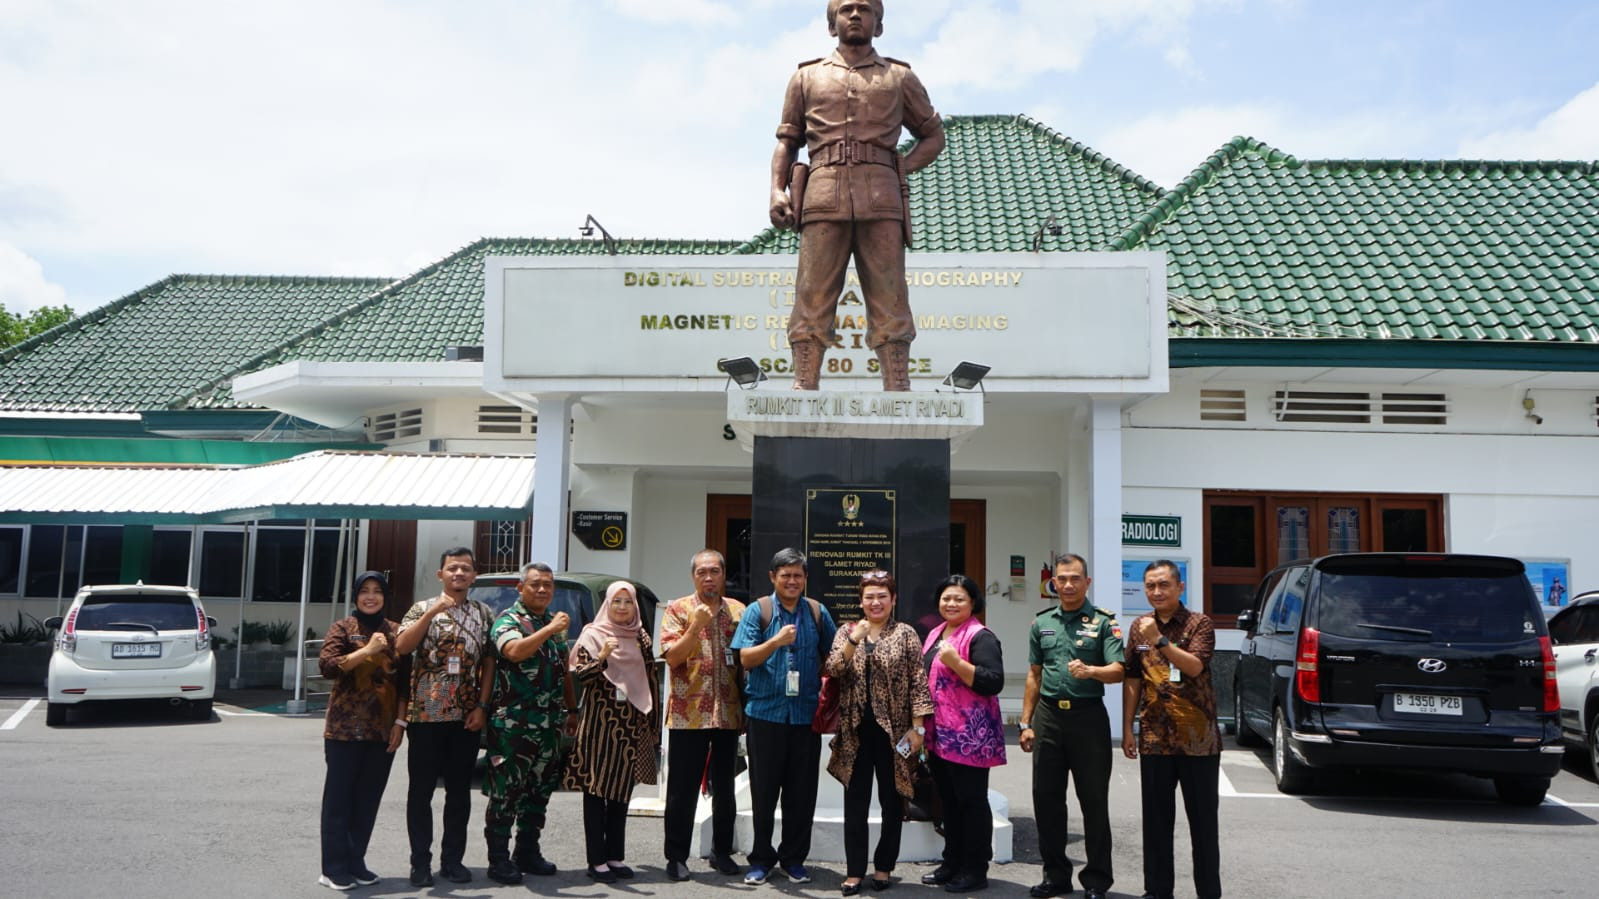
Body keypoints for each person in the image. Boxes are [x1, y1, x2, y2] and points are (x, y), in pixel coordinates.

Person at [769, 0, 945, 390]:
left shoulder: (899, 78)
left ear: (878, 25)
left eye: (865, 9)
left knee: (890, 295)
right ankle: (804, 382)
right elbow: (788, 141)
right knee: (812, 295)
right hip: (821, 195)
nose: (854, 15)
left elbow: (934, 136)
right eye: (846, 9)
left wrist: (901, 168)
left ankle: (897, 385)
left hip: (882, 199)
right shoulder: (806, 78)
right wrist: (776, 191)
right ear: (832, 25)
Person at [1019, 553, 1125, 899]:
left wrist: (1092, 671)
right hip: (1049, 717)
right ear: (1054, 583)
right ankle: (1056, 875)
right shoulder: (1041, 623)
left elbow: (1119, 670)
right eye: (1061, 579)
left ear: (1087, 582)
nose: (1067, 585)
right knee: (1046, 799)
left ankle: (1096, 880)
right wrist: (1025, 722)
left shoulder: (1104, 622)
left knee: (1093, 800)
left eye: (1074, 578)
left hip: (1088, 719)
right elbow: (1034, 675)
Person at [732, 547, 839, 885]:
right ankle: (761, 859)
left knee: (801, 793)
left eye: (797, 575)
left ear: (805, 579)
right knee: (764, 793)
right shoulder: (757, 611)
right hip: (765, 716)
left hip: (806, 717)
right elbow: (745, 659)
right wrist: (775, 642)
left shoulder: (818, 612)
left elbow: (834, 658)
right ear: (772, 577)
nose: (792, 581)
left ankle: (794, 859)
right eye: (785, 575)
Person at [824, 570, 933, 895]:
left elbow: (918, 681)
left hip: (895, 735)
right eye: (869, 596)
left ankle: (884, 867)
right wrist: (855, 639)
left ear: (893, 599)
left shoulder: (906, 634)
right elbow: (832, 669)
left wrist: (918, 728)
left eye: (882, 596)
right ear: (861, 600)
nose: (875, 602)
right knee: (855, 803)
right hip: (855, 734)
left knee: (892, 801)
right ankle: (854, 871)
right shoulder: (847, 631)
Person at [393, 546, 495, 887]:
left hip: (465, 717)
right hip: (426, 715)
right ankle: (419, 862)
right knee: (420, 792)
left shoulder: (484, 613)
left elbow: (489, 663)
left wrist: (482, 706)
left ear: (473, 576)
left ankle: (453, 860)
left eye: (466, 569)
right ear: (441, 574)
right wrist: (433, 612)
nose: (459, 574)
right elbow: (402, 647)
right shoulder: (421, 608)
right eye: (453, 568)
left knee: (458, 793)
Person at [1121, 560, 1222, 899]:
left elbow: (1194, 667)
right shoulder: (1139, 626)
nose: (1156, 592)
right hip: (1154, 738)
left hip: (1198, 742)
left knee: (1203, 825)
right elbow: (1132, 678)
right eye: (1150, 586)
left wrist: (1161, 641)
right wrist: (1127, 728)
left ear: (1180, 588)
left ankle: (1208, 892)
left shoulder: (1200, 623)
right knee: (1156, 824)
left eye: (1164, 585)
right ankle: (1157, 891)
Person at [479, 561, 578, 884]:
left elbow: (563, 669)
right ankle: (498, 859)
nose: (542, 590)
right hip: (513, 726)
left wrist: (572, 709)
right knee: (506, 793)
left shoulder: (551, 621)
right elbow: (514, 651)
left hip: (548, 725)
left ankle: (527, 851)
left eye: (548, 585)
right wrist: (549, 630)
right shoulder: (509, 620)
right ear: (520, 588)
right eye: (535, 584)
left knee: (539, 792)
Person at [316, 571, 408, 891]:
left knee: (368, 801)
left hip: (381, 731)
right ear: (355, 596)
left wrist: (400, 723)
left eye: (377, 591)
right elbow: (327, 665)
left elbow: (404, 682)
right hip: (343, 730)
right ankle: (333, 867)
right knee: (339, 801)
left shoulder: (395, 631)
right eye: (364, 591)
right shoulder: (343, 627)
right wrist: (366, 652)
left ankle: (356, 863)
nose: (371, 596)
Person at [659, 549, 748, 881]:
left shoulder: (738, 611)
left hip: (727, 712)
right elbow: (672, 658)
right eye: (702, 572)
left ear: (724, 575)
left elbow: (743, 662)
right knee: (681, 789)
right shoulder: (678, 609)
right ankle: (676, 856)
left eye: (714, 571)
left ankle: (721, 851)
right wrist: (695, 625)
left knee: (724, 786)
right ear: (693, 576)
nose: (708, 577)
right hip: (687, 714)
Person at [564, 581, 662, 883]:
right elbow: (580, 675)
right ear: (607, 604)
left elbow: (652, 679)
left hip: (631, 723)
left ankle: (615, 856)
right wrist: (602, 657)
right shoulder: (593, 635)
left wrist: (653, 724)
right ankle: (596, 860)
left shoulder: (641, 637)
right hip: (600, 724)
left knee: (621, 791)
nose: (622, 607)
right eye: (616, 601)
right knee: (596, 790)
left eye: (628, 602)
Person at [919, 574, 1005, 893]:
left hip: (970, 736)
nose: (951, 604)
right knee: (949, 801)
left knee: (971, 801)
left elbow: (992, 680)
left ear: (973, 603)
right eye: (946, 598)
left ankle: (974, 869)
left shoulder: (981, 636)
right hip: (940, 734)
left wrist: (956, 662)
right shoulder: (937, 632)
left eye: (959, 599)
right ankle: (951, 862)